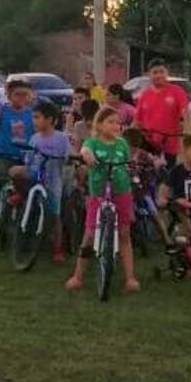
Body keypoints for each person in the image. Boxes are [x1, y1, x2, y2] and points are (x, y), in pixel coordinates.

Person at [65, 107, 139, 293]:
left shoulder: (122, 144)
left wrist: (132, 167)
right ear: (99, 125)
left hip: (121, 192)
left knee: (124, 233)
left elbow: (128, 161)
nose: (116, 126)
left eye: (118, 123)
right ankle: (77, 276)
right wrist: (87, 155)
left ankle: (130, 278)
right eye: (110, 122)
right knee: (89, 234)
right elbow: (85, 149)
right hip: (98, 194)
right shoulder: (93, 142)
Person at [9, 99, 71, 264]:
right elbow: (28, 160)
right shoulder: (34, 138)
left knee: (55, 215)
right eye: (33, 117)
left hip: (52, 179)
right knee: (14, 172)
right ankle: (19, 194)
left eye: (37, 117)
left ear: (50, 119)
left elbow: (68, 158)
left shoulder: (61, 138)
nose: (34, 121)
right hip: (34, 175)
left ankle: (57, 249)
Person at [133, 58, 191, 170]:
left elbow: (185, 112)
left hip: (169, 144)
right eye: (155, 72)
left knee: (167, 175)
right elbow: (137, 121)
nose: (159, 75)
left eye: (161, 72)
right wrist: (129, 136)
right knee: (145, 173)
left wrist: (188, 131)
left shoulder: (177, 91)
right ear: (148, 75)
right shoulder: (144, 95)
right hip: (148, 143)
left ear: (167, 73)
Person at [0, 78, 35, 180]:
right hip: (5, 157)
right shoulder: (2, 111)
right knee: (2, 182)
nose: (21, 97)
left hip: (26, 158)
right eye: (17, 94)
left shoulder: (32, 113)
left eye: (25, 94)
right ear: (9, 96)